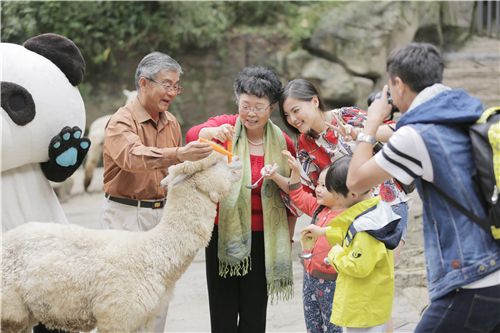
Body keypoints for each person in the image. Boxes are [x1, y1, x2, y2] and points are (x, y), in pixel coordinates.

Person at [346, 42, 500, 332]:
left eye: (390, 89)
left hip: (470, 278)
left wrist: (371, 121)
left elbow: (355, 182)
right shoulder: (465, 114)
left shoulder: (416, 136)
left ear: (398, 84)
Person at [101, 51, 213, 332]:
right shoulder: (120, 122)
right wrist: (179, 154)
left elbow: (173, 173)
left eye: (176, 86)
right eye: (167, 84)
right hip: (125, 215)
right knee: (125, 297)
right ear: (143, 83)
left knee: (159, 293)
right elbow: (133, 156)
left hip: (161, 216)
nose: (172, 92)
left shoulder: (171, 122)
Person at [185, 66, 296, 333]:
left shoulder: (283, 144)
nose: (251, 113)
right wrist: (210, 134)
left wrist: (289, 238)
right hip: (223, 235)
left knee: (254, 316)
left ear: (271, 108)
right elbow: (192, 136)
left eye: (259, 107)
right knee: (222, 316)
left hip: (264, 237)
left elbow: (292, 196)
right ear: (238, 102)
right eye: (246, 105)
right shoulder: (225, 127)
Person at [278, 78, 409, 254]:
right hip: (351, 216)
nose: (292, 119)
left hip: (387, 202)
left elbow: (396, 130)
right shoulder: (304, 145)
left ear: (315, 101)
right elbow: (312, 191)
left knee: (383, 270)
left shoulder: (346, 116)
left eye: (295, 110)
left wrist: (360, 134)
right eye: (287, 115)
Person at [303, 156, 403, 332]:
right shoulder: (374, 209)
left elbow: (357, 266)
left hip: (362, 309)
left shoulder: (367, 228)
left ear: (353, 194)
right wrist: (324, 232)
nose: (337, 201)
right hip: (371, 304)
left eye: (337, 196)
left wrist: (333, 254)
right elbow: (351, 234)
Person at [266, 150, 344, 333]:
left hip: (333, 281)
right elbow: (298, 195)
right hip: (310, 278)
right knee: (313, 325)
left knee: (333, 326)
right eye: (318, 184)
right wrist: (291, 172)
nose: (318, 189)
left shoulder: (347, 217)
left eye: (325, 186)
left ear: (343, 192)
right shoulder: (318, 208)